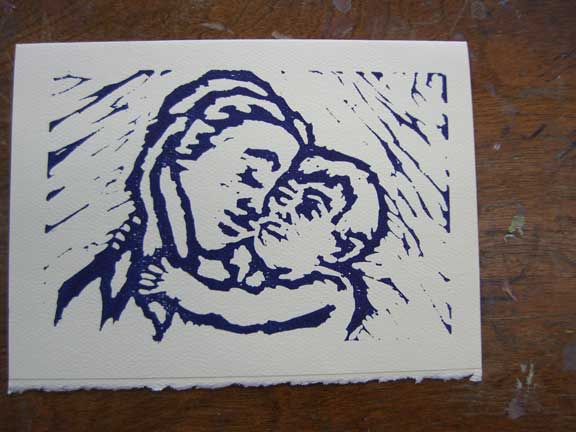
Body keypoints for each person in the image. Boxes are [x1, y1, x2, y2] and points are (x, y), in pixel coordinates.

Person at [54, 70, 312, 335]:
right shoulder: (101, 294)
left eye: (277, 194)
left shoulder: (263, 286)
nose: (260, 210)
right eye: (250, 174)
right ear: (177, 159)